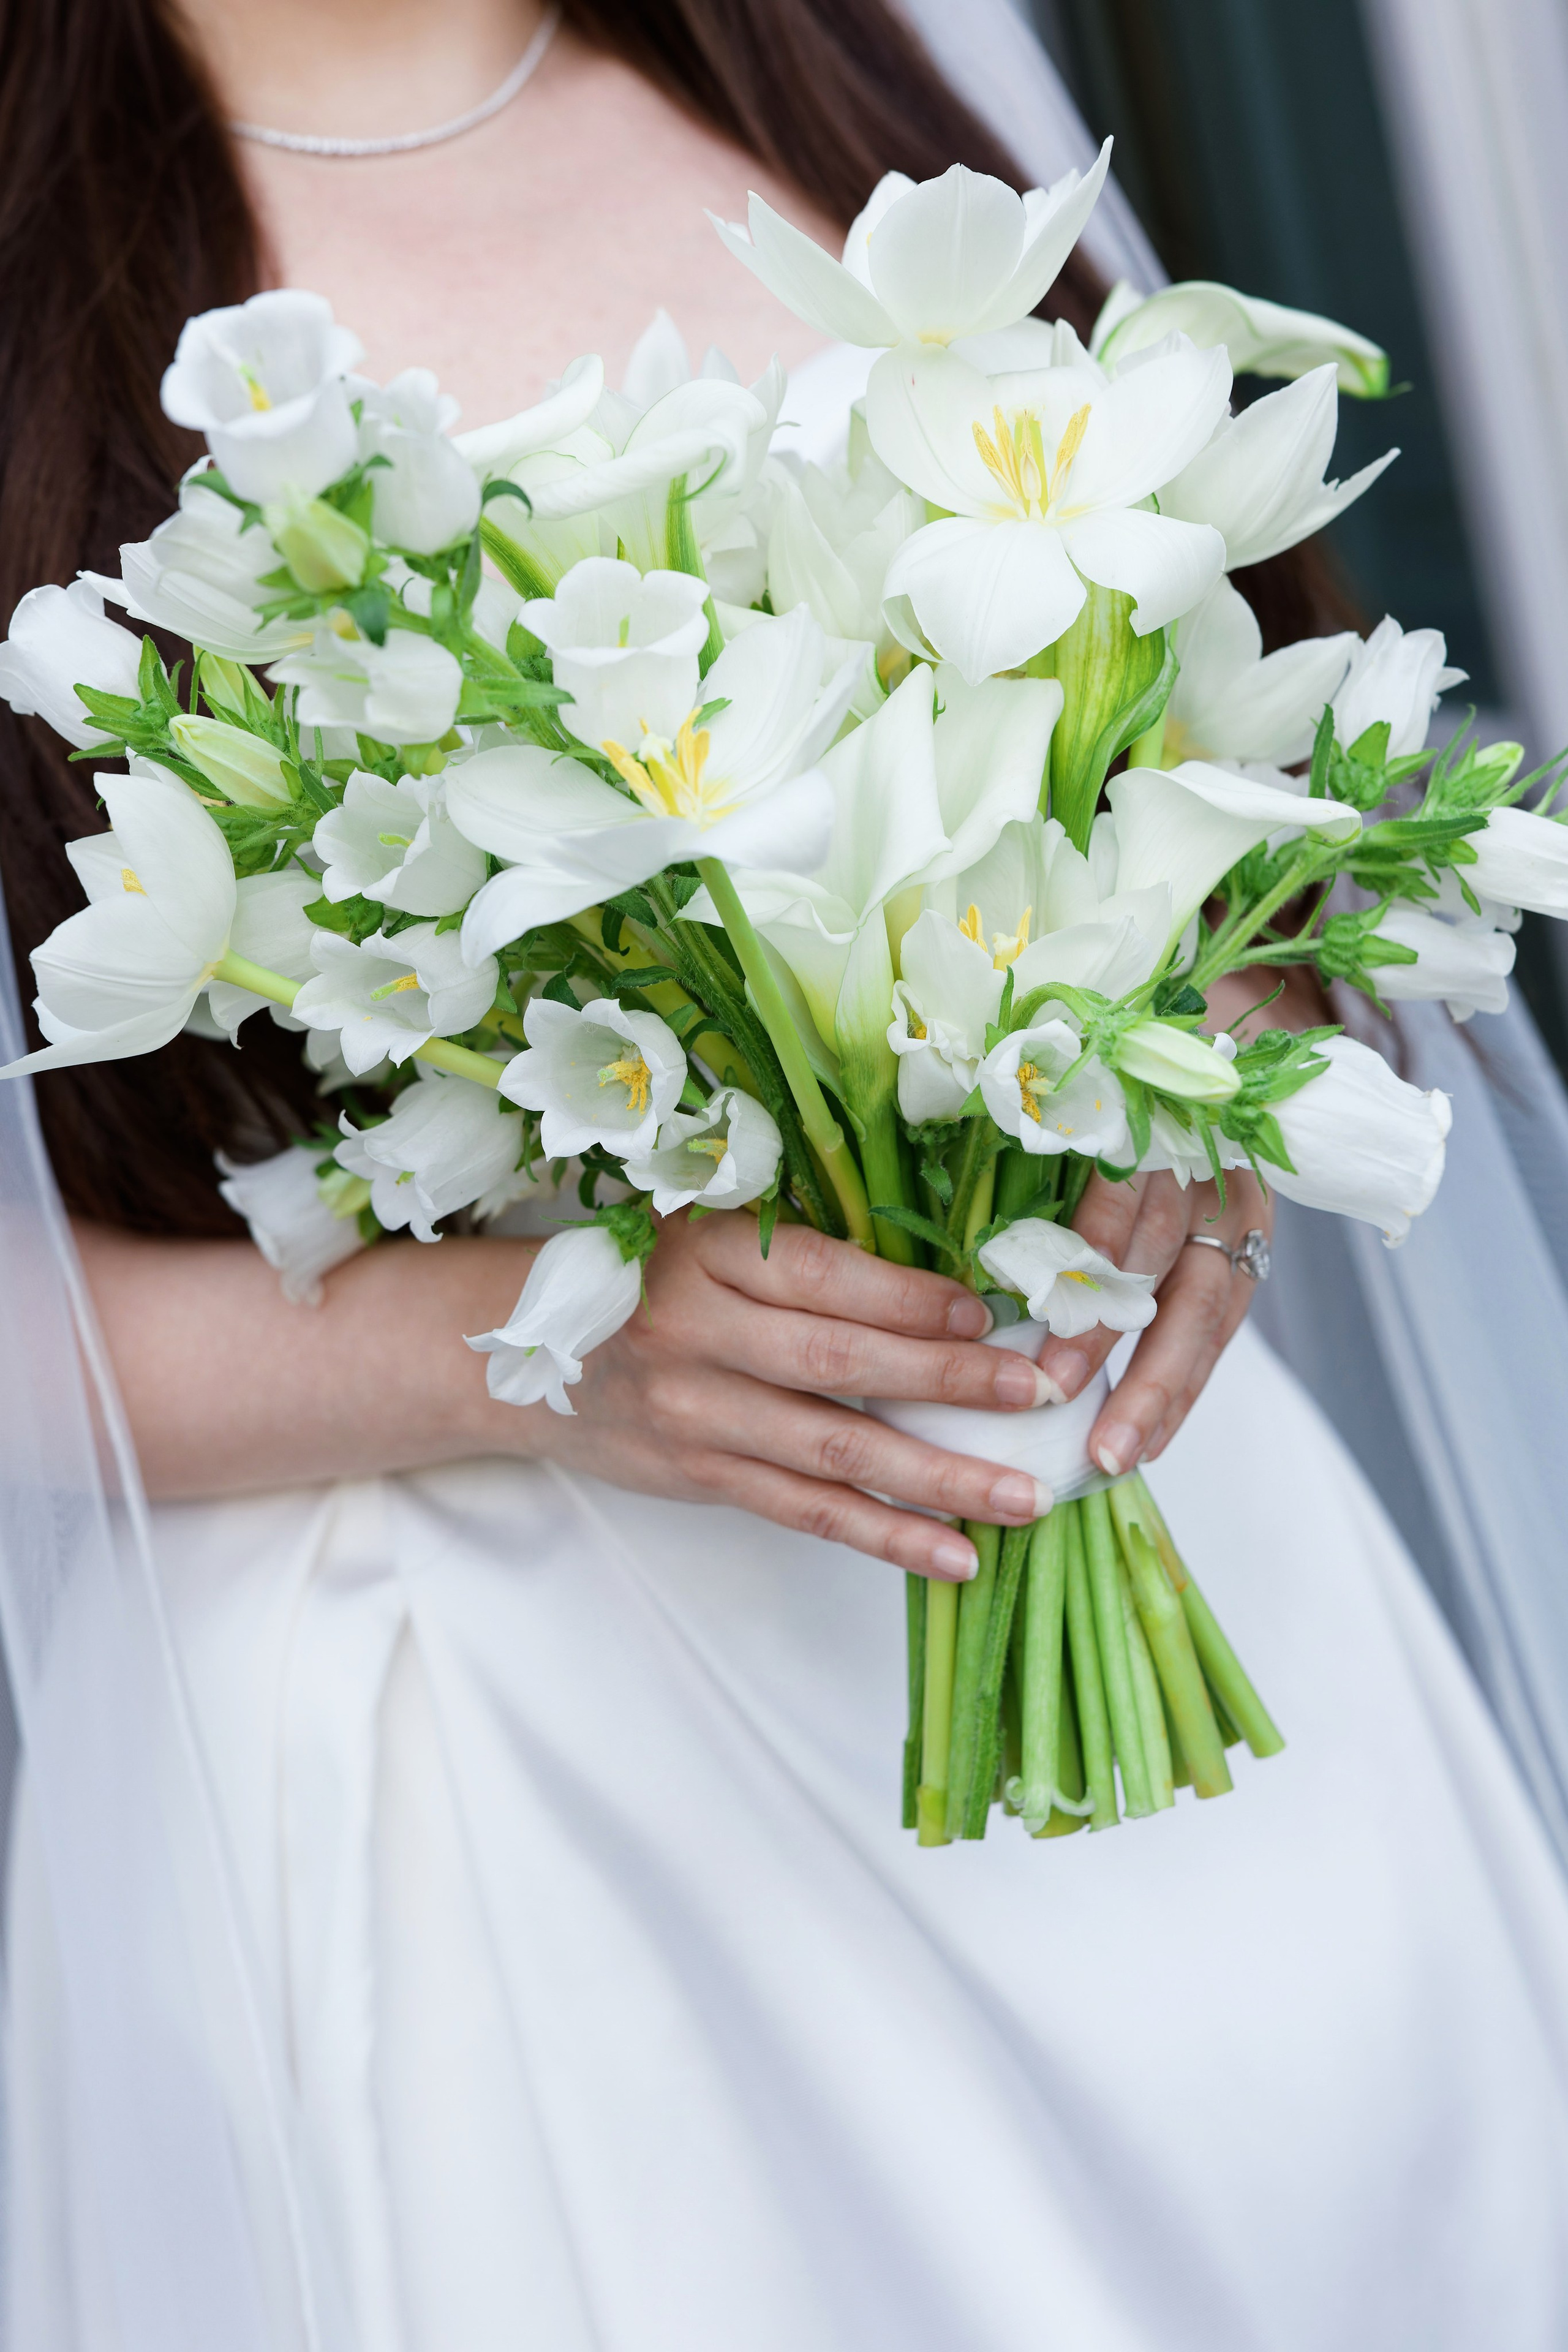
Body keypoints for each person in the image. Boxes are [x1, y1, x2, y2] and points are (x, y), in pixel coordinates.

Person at [2, 1, 1567, 2345]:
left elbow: (1229, 786)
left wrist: (1204, 1085)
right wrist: (536, 1358)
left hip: (1156, 1594)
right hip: (498, 1773)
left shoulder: (844, 109)